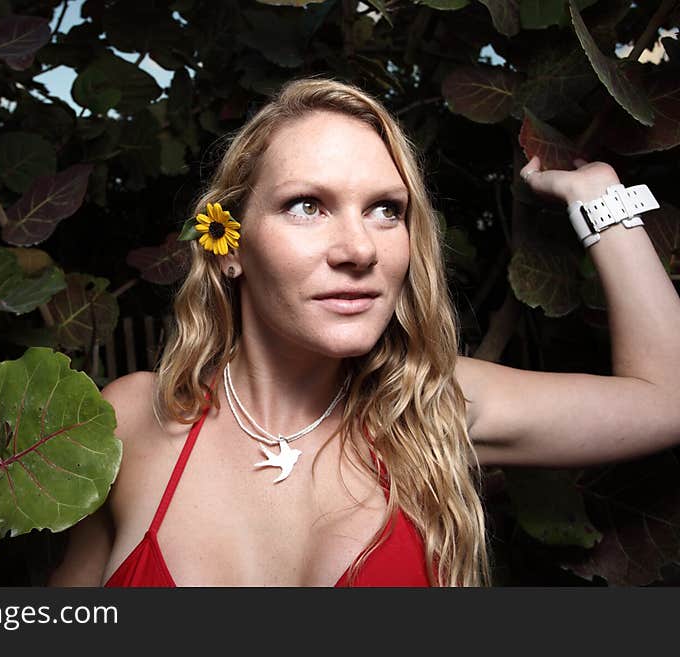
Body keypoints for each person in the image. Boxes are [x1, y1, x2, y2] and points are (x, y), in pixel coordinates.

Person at [48, 77, 680, 587]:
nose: (358, 249)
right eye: (306, 206)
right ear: (228, 245)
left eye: (386, 210)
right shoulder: (130, 420)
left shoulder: (432, 406)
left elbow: (666, 398)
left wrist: (601, 198)